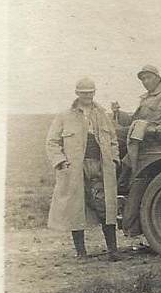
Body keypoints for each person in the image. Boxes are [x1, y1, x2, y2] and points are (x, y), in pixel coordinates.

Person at [45, 77, 122, 261]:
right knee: (75, 207)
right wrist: (61, 161)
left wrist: (115, 159)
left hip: (100, 167)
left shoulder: (103, 114)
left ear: (94, 93)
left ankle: (113, 251)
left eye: (90, 92)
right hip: (75, 169)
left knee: (105, 207)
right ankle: (81, 252)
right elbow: (52, 142)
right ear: (77, 94)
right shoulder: (64, 116)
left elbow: (112, 140)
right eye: (83, 92)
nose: (87, 96)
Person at [111, 64, 161, 240]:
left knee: (115, 136)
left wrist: (151, 128)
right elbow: (134, 119)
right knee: (110, 132)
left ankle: (124, 172)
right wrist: (118, 113)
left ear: (157, 77)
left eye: (148, 77)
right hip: (139, 135)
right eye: (143, 79)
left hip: (153, 137)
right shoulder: (146, 98)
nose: (146, 82)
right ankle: (116, 173)